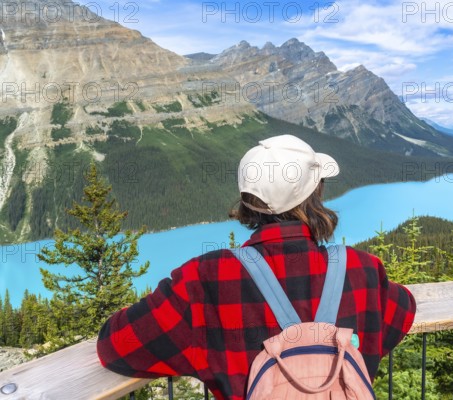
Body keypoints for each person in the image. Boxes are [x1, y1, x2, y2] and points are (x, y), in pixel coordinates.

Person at [97, 134, 416, 400]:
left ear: (247, 201)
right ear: (315, 194)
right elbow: (402, 313)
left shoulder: (206, 279)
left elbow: (115, 346)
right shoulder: (363, 271)